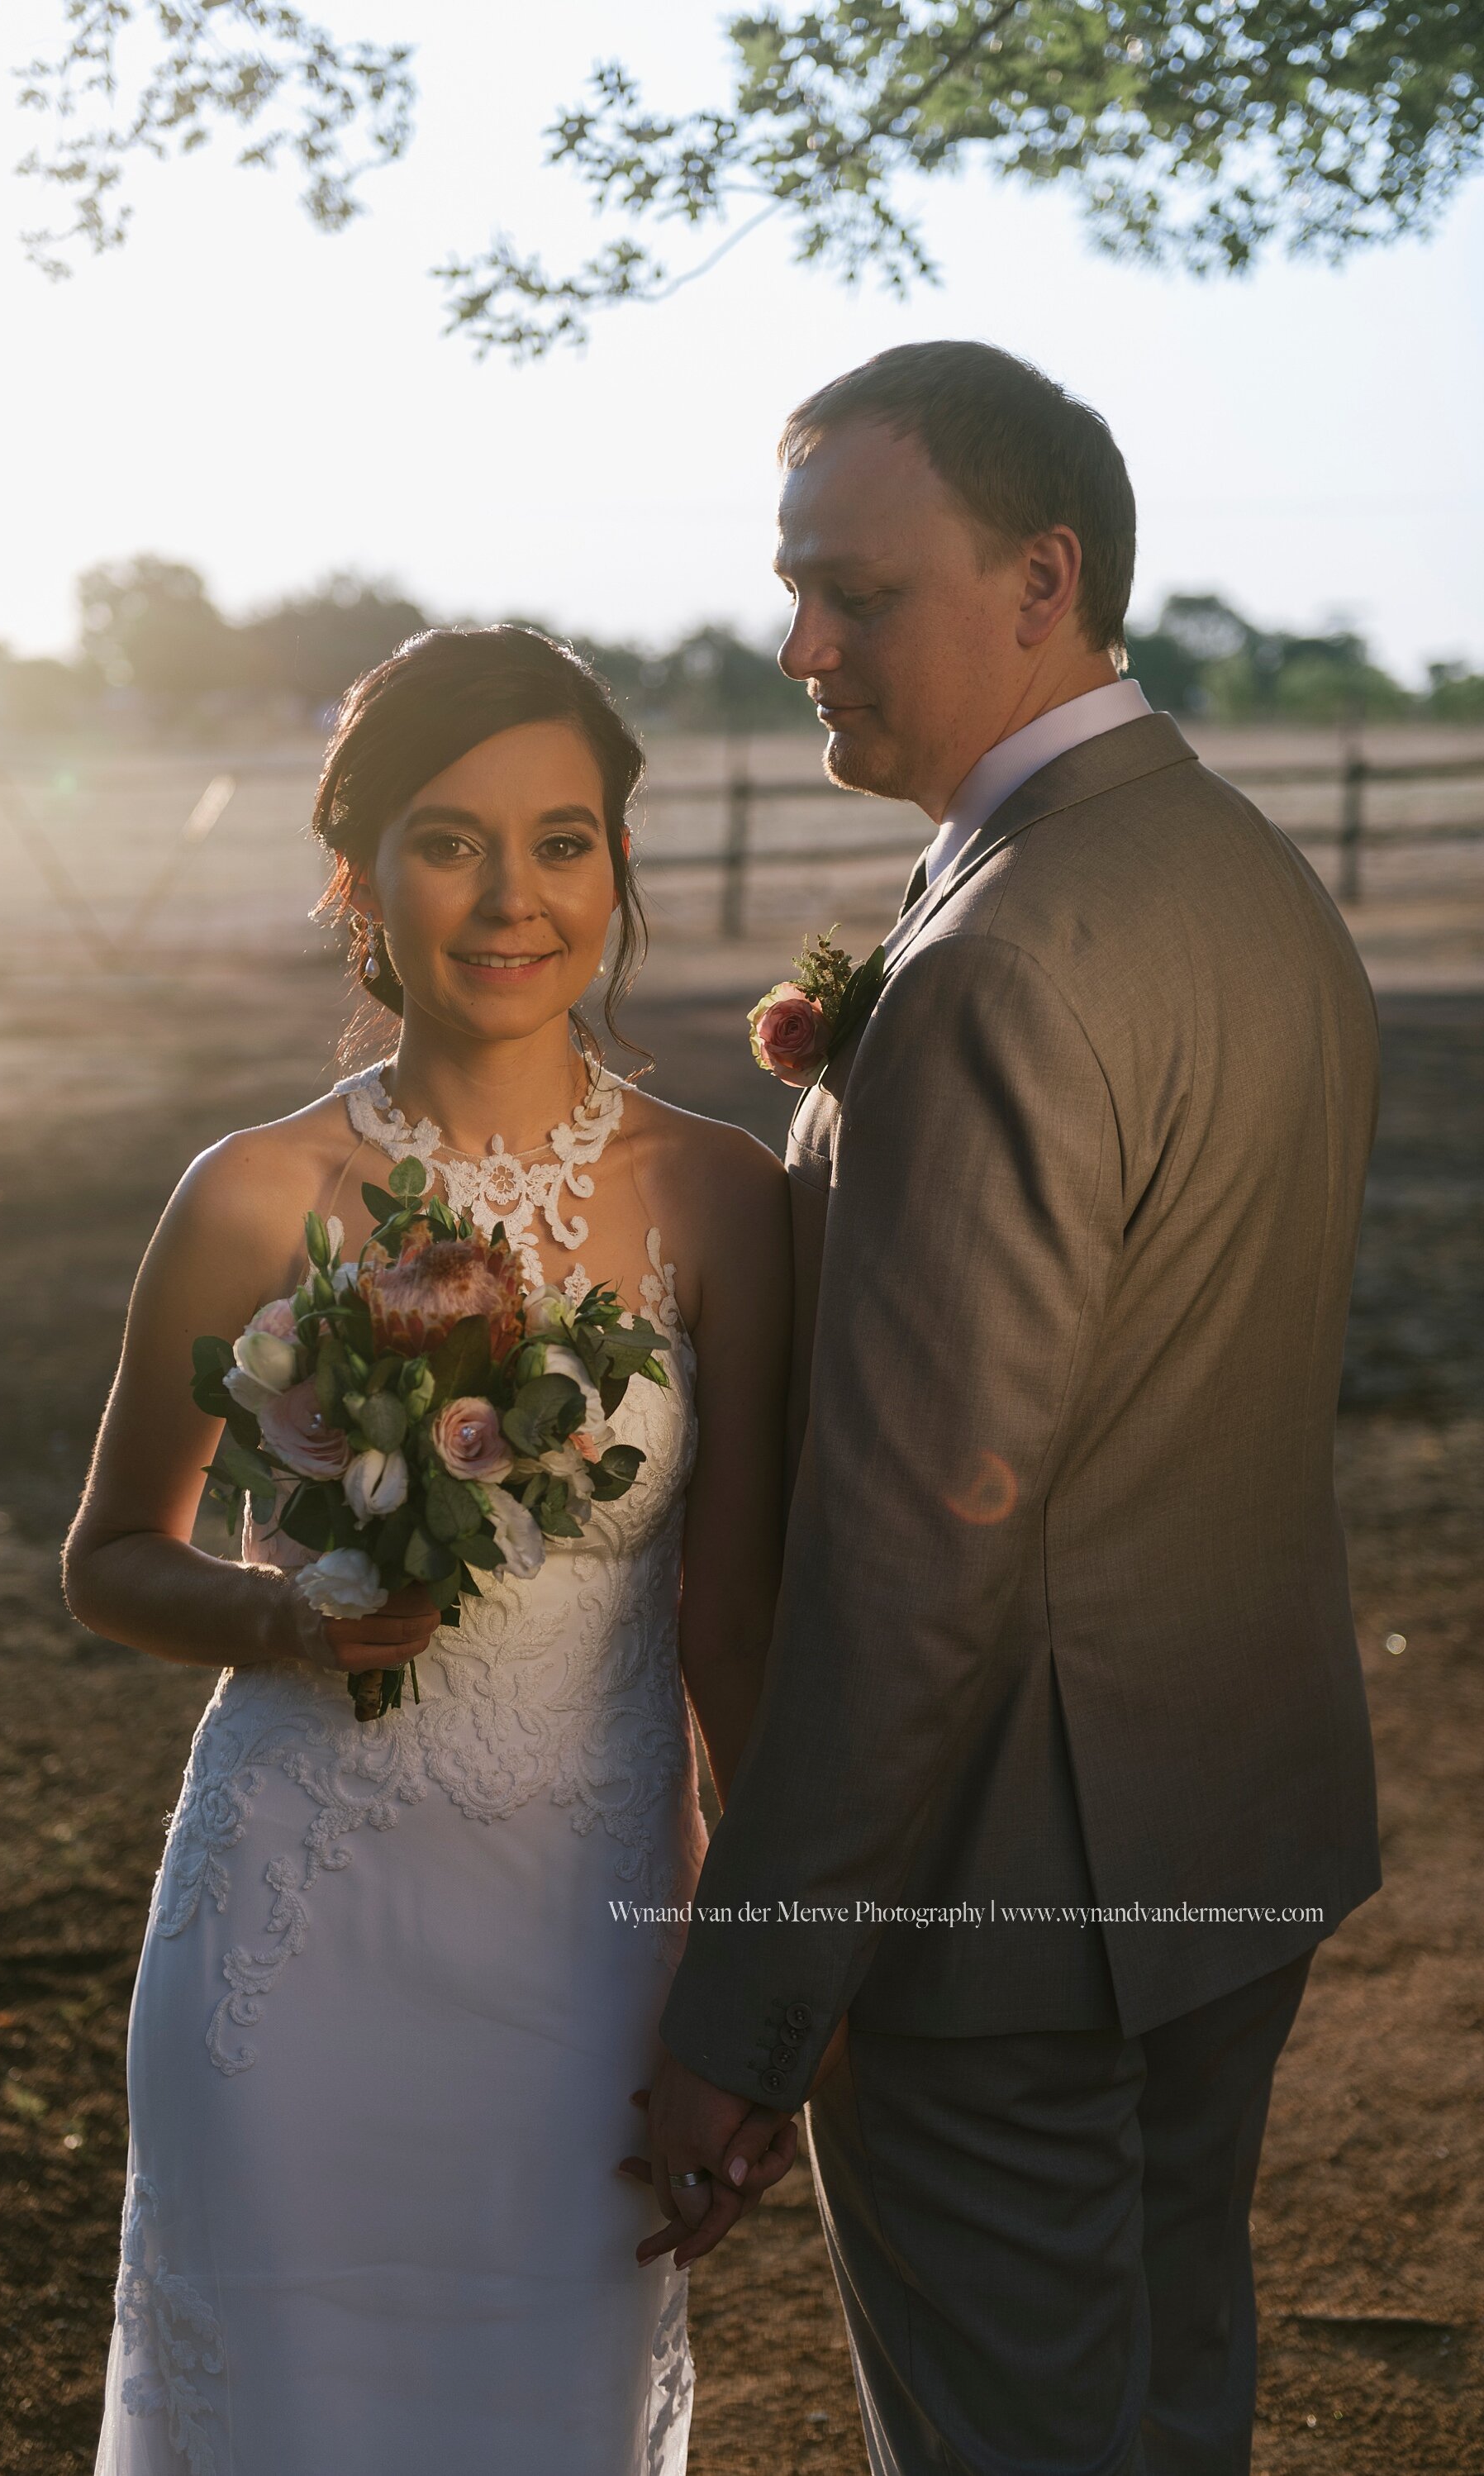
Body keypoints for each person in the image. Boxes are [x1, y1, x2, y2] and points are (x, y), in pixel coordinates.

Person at [642, 342, 1382, 2476]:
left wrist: (747, 2004)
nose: (804, 643)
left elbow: (918, 1544)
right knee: (1166, 2410)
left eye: (856, 590)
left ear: (1043, 575)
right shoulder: (1249, 879)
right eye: (799, 590)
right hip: (1233, 1834)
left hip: (1013, 1911)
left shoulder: (1000, 954)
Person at [64, 625, 792, 2475]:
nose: (510, 895)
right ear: (360, 873)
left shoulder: (718, 1193)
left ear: (616, 866)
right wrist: (287, 1618)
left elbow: (733, 1628)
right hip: (291, 1947)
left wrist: (754, 1985)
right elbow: (108, 1557)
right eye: (450, 838)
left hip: (588, 1957)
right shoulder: (250, 1195)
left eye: (562, 840)